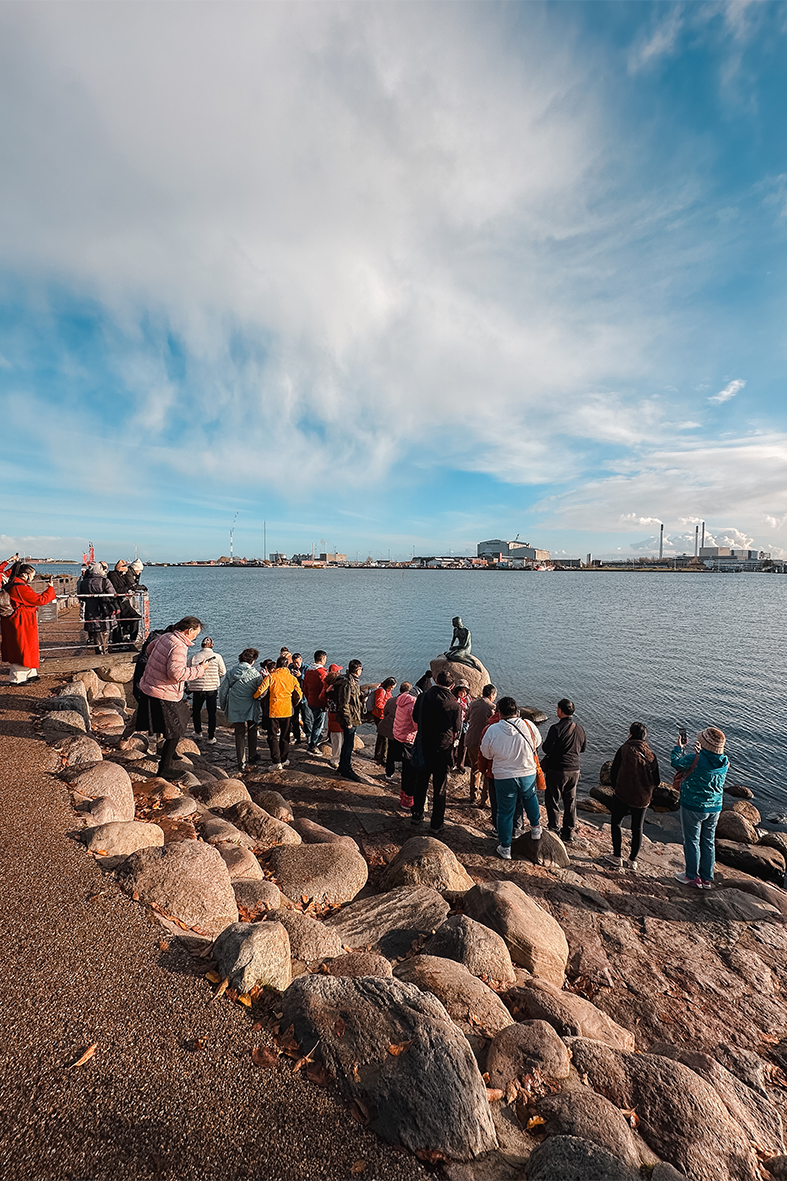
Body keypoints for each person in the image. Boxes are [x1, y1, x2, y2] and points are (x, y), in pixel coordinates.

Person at [139, 616, 205, 779]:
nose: (196, 637)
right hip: (163, 691)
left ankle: (166, 750)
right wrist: (199, 670)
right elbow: (176, 673)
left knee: (171, 723)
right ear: (189, 630)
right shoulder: (179, 646)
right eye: (196, 633)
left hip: (151, 685)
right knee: (176, 728)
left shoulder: (166, 636)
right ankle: (164, 769)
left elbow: (149, 649)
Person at [480, 696, 543, 859]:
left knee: (505, 811)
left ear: (499, 712)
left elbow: (486, 753)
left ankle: (505, 847)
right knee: (530, 799)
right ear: (517, 710)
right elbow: (537, 743)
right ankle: (536, 829)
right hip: (527, 771)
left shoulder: (492, 730)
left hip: (503, 775)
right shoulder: (529, 725)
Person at [672, 727, 729, 889]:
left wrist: (679, 748)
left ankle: (691, 876)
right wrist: (700, 753)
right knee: (708, 842)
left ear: (704, 743)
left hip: (693, 805)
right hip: (715, 807)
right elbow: (708, 764)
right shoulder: (724, 761)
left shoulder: (693, 758)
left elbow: (676, 763)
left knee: (691, 840)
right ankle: (706, 879)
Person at [411, 669, 461, 833]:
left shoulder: (423, 696)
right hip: (442, 748)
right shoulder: (454, 704)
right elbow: (457, 727)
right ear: (452, 685)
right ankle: (436, 823)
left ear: (435, 680)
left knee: (421, 781)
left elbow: (415, 718)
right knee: (440, 786)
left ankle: (417, 814)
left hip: (424, 742)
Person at [606, 723, 660, 871]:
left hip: (623, 794)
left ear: (630, 734)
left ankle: (616, 857)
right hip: (642, 798)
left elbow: (614, 771)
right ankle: (633, 860)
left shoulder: (624, 749)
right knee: (637, 828)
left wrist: (615, 787)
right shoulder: (651, 755)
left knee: (616, 823)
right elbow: (657, 780)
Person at [541, 698, 587, 843]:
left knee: (553, 799)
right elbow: (583, 748)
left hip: (557, 769)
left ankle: (554, 829)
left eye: (557, 708)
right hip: (574, 770)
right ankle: (568, 832)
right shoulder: (579, 728)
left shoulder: (556, 728)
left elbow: (546, 748)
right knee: (571, 801)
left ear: (560, 710)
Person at [1, 564, 56, 684]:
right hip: (21, 621)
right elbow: (39, 600)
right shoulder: (19, 587)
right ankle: (18, 678)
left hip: (18, 620)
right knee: (23, 648)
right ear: (25, 575)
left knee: (25, 647)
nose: (32, 578)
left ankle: (31, 673)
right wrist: (50, 589)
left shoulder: (12, 585)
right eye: (32, 575)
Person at [218, 648, 263, 772]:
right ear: (252, 661)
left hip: (236, 705)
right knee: (252, 729)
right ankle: (253, 754)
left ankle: (241, 760)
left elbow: (223, 691)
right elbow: (260, 692)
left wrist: (223, 706)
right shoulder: (256, 675)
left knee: (239, 733)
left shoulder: (232, 672)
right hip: (251, 705)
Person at [255, 655, 302, 770]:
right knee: (285, 736)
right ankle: (284, 759)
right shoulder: (291, 678)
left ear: (277, 665)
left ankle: (276, 761)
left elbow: (261, 690)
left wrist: (255, 696)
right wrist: (294, 704)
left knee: (272, 736)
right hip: (287, 710)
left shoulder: (271, 677)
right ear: (286, 665)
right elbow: (299, 694)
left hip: (274, 710)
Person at [189, 637, 226, 744]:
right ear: (212, 645)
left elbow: (188, 669)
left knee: (196, 711)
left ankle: (198, 731)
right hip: (211, 688)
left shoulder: (194, 657)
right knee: (212, 712)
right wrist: (215, 675)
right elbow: (223, 672)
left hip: (197, 688)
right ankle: (211, 736)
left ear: (201, 646)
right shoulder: (217, 657)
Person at [466, 684, 497, 804]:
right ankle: (484, 799)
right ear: (491, 695)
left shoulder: (473, 703)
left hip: (470, 739)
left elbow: (467, 718)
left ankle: (473, 795)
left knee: (474, 769)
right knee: (487, 771)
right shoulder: (492, 707)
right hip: (483, 742)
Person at [335, 658, 364, 782]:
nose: (362, 671)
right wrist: (348, 721)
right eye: (361, 669)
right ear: (357, 670)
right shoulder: (348, 684)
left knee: (348, 743)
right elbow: (344, 704)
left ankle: (342, 766)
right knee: (348, 744)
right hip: (349, 719)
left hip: (353, 717)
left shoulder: (353, 682)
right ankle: (347, 768)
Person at [81, 561, 118, 655]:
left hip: (91, 609)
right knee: (106, 630)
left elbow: (81, 597)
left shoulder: (84, 582)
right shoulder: (105, 581)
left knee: (96, 632)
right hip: (104, 608)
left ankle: (99, 651)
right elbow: (113, 594)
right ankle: (105, 651)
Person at [392, 682, 418, 810]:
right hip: (408, 739)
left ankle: (403, 795)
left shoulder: (401, 700)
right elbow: (415, 725)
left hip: (398, 736)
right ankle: (407, 800)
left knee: (405, 770)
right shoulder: (413, 704)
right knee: (411, 771)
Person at [303, 650, 329, 754]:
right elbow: (325, 689)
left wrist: (307, 697)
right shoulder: (322, 673)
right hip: (320, 702)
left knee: (315, 721)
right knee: (318, 724)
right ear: (322, 659)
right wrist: (326, 701)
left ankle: (317, 738)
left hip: (310, 700)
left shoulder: (309, 671)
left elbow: (304, 687)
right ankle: (312, 745)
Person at [379, 683, 403, 780]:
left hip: (392, 730)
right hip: (404, 733)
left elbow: (385, 712)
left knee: (391, 753)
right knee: (406, 754)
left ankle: (389, 774)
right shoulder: (413, 703)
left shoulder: (392, 701)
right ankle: (404, 775)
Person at [373, 677, 397, 764]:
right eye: (393, 686)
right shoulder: (381, 691)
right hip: (379, 715)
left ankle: (378, 755)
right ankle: (382, 757)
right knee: (384, 738)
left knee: (381, 736)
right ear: (389, 685)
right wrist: (388, 707)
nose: (393, 688)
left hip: (383, 715)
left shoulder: (387, 691)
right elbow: (378, 704)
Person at [324, 664, 344, 767]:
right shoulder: (335, 693)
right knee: (338, 740)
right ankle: (335, 760)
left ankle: (336, 758)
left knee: (336, 739)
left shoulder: (328, 692)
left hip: (332, 718)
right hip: (337, 719)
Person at [451, 680, 471, 770]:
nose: (463, 693)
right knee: (453, 744)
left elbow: (470, 708)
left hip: (465, 723)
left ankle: (461, 764)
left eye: (465, 691)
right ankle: (452, 762)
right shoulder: (453, 699)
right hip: (455, 723)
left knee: (464, 745)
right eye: (462, 691)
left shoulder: (468, 698)